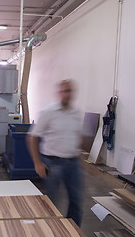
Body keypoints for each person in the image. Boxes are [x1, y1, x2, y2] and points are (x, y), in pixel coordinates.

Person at [27, 79, 84, 226]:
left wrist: (80, 160)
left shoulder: (76, 113)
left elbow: (76, 137)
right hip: (53, 163)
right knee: (51, 202)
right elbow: (32, 138)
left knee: (76, 201)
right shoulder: (49, 112)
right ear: (59, 93)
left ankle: (72, 231)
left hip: (73, 163)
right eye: (65, 91)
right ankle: (48, 230)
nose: (68, 94)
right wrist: (38, 163)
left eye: (70, 91)